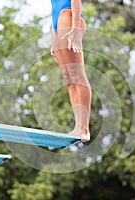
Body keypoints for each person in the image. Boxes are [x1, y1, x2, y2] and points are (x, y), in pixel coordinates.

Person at [50, 0, 91, 142]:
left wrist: (75, 27)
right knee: (68, 79)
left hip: (69, 17)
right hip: (57, 23)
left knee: (77, 75)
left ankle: (84, 128)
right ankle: (78, 127)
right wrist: (53, 36)